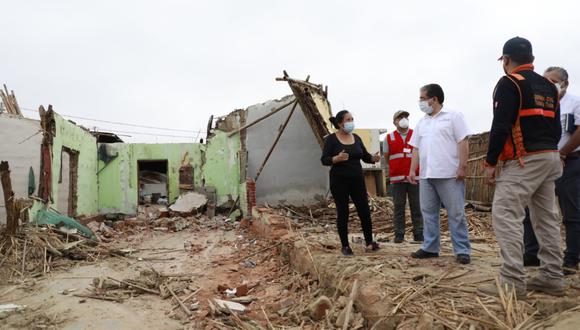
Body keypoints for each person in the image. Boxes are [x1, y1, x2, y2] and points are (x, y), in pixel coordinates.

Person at [478, 37, 563, 299]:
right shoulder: (549, 86)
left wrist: (491, 162)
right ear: (532, 59)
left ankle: (512, 282)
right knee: (546, 218)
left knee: (505, 214)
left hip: (526, 159)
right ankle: (552, 277)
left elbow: (500, 125)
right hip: (550, 156)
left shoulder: (510, 82)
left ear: (506, 60)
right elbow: (557, 127)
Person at [522, 66, 580, 275]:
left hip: (569, 162)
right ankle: (532, 253)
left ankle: (571, 257)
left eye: (553, 80)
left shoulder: (574, 103)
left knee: (570, 212)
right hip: (541, 163)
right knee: (531, 209)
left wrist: (562, 153)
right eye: (545, 80)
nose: (549, 84)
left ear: (564, 84)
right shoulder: (540, 102)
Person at [407, 84, 471, 265]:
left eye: (422, 98)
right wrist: (413, 170)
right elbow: (416, 149)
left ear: (433, 99)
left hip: (449, 174)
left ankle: (462, 250)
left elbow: (463, 141)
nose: (420, 102)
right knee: (428, 212)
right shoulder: (422, 122)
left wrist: (463, 167)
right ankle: (430, 247)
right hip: (427, 175)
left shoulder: (453, 116)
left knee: (456, 213)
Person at [321, 110, 381, 256]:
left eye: (352, 119)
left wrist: (373, 159)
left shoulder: (356, 138)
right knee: (343, 212)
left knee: (364, 211)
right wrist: (336, 158)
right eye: (348, 119)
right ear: (341, 123)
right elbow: (324, 160)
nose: (351, 122)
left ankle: (369, 242)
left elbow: (365, 157)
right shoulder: (331, 139)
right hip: (339, 181)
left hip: (357, 180)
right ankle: (345, 246)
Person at [385, 110, 423, 243]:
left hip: (415, 177)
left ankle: (419, 235)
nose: (404, 119)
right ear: (395, 121)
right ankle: (399, 235)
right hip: (397, 179)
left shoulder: (416, 135)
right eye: (400, 117)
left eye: (406, 116)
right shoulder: (389, 137)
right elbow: (386, 157)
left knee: (417, 207)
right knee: (399, 207)